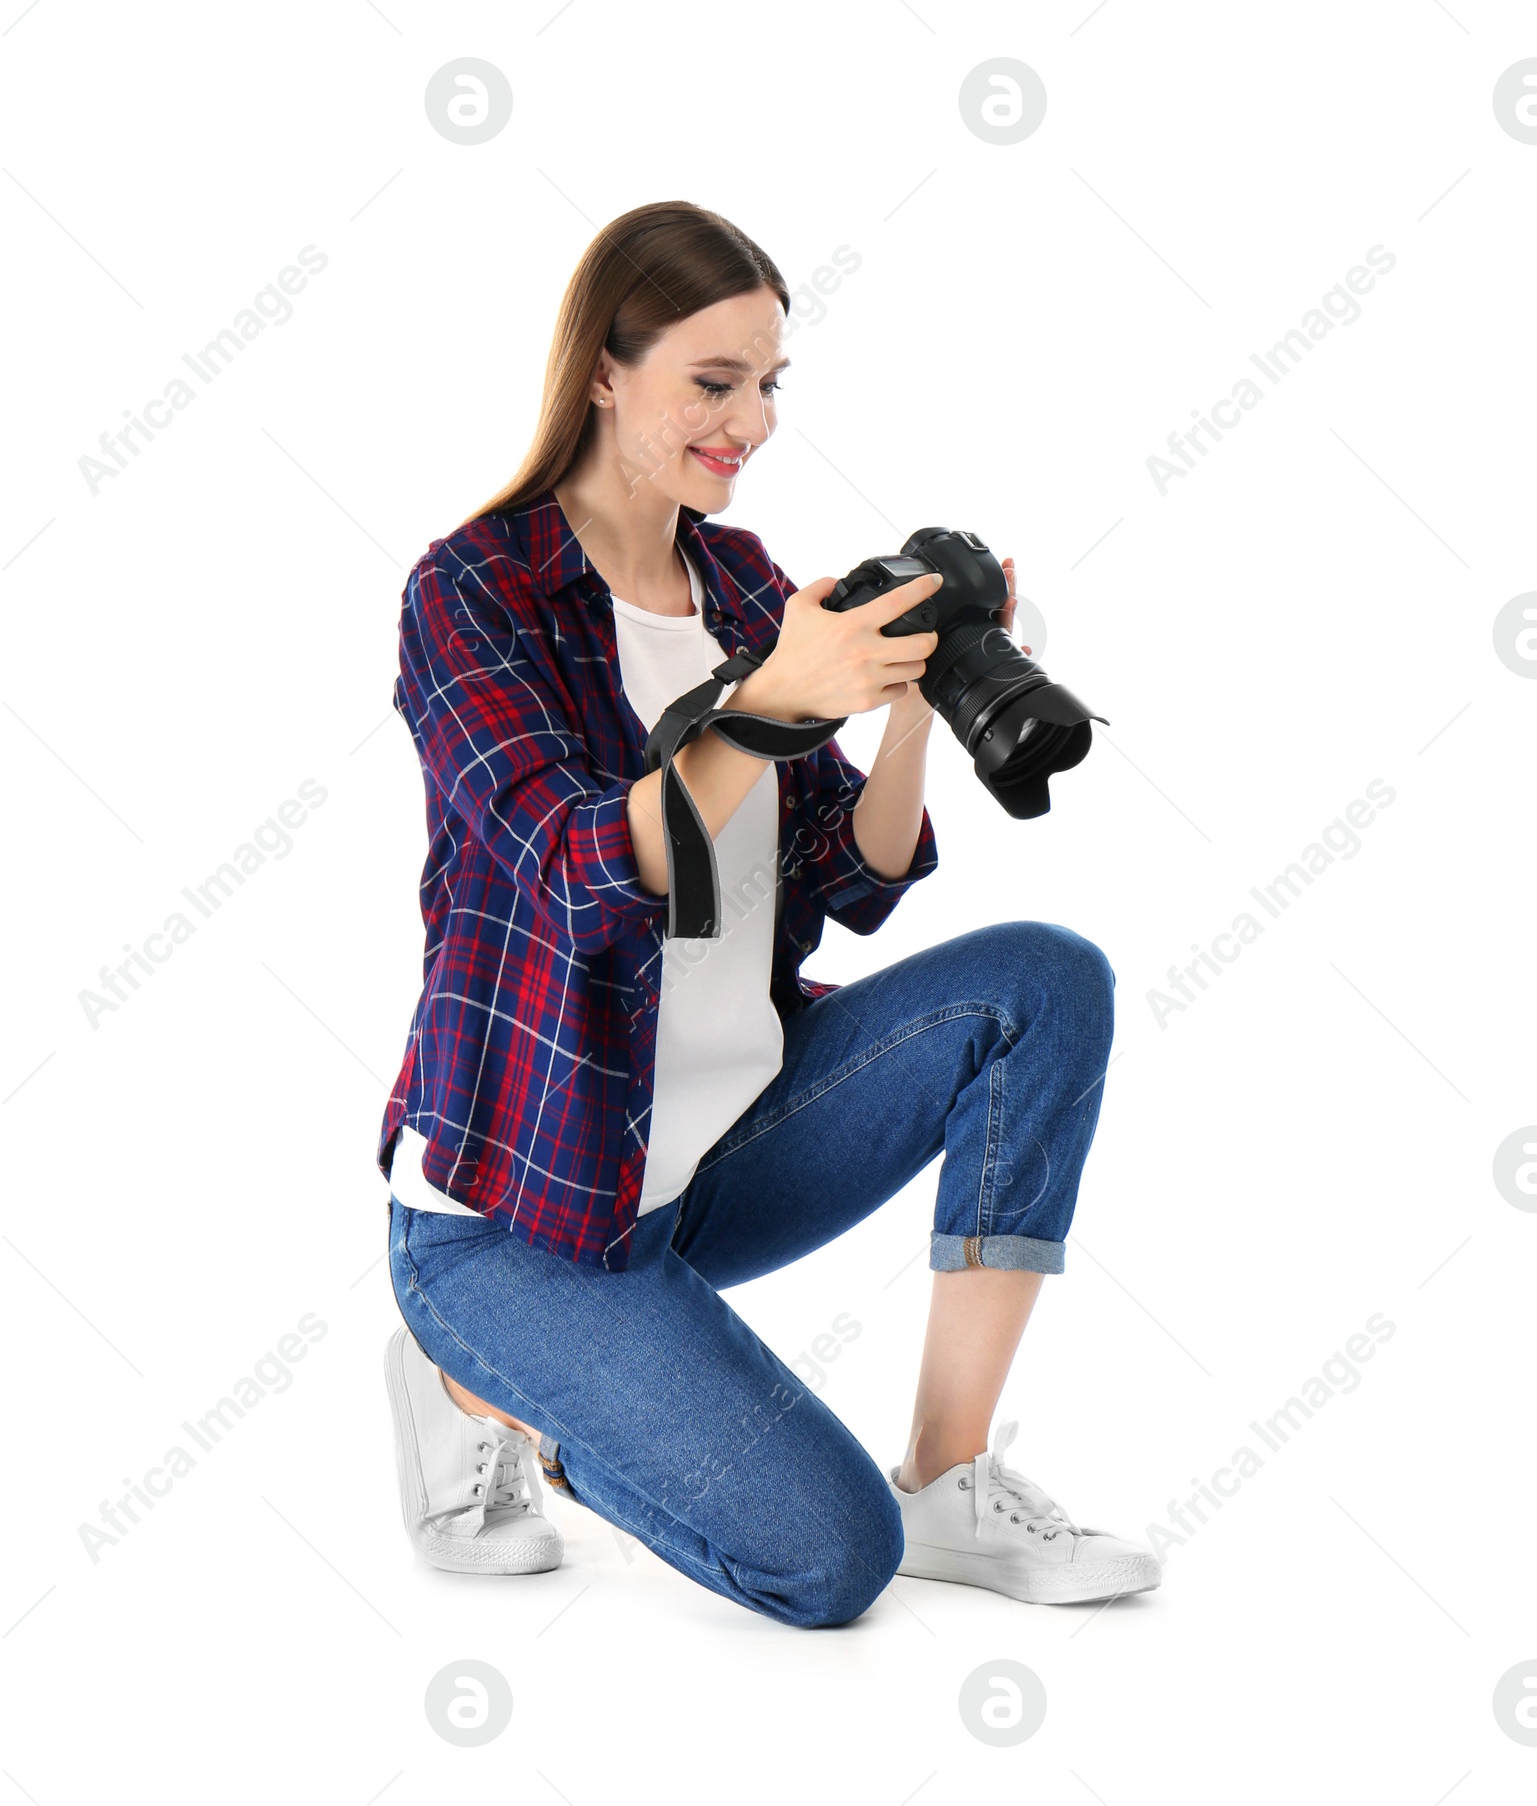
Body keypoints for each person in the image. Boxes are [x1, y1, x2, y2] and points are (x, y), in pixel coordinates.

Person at [378, 199, 1159, 1628]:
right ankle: (476, 1374)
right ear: (604, 371)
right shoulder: (473, 589)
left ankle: (952, 1472)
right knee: (826, 1560)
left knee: (1048, 981)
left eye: (772, 383)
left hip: (717, 1155)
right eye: (715, 381)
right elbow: (574, 871)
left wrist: (904, 709)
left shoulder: (738, 583)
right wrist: (765, 709)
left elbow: (849, 882)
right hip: (527, 1211)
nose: (752, 421)